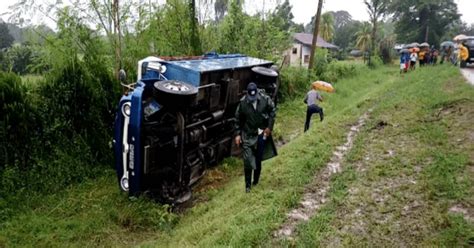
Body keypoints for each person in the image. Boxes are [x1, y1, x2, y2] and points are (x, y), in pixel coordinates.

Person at [234, 82, 277, 193]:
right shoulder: (243, 103)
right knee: (247, 160)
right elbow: (237, 119)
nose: (252, 99)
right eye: (250, 97)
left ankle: (256, 181)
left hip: (261, 133)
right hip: (247, 134)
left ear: (257, 93)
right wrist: (238, 134)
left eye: (254, 96)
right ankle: (247, 186)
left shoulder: (265, 99)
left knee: (258, 159)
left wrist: (269, 127)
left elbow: (273, 110)